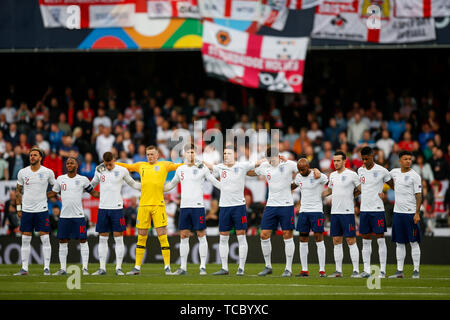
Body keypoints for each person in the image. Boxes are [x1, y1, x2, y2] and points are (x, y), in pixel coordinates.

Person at [115, 145, 183, 275]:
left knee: (162, 236)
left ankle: (167, 267)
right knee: (141, 236)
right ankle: (137, 268)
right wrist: (113, 163)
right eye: (148, 154)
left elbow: (178, 166)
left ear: (157, 155)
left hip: (158, 205)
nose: (150, 156)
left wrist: (192, 163)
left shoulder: (165, 165)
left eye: (152, 154)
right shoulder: (141, 165)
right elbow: (128, 167)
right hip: (144, 206)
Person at [204, 145, 266, 276]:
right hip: (225, 207)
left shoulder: (242, 166)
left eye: (229, 153)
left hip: (239, 206)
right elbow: (209, 166)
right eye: (225, 153)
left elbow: (258, 163)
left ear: (235, 155)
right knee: (223, 237)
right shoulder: (220, 167)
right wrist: (197, 161)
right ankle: (224, 268)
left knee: (241, 236)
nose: (226, 155)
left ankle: (241, 268)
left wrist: (268, 159)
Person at [163, 144, 220, 275]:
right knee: (183, 235)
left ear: (196, 154)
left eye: (193, 152)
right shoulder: (180, 169)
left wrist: (226, 188)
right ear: (184, 155)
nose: (191, 155)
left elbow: (213, 181)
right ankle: (183, 268)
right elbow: (171, 185)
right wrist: (158, 188)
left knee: (201, 235)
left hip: (198, 206)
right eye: (188, 152)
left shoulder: (202, 168)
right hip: (184, 207)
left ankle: (202, 267)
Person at [249, 148, 300, 277]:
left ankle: (288, 268)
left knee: (287, 234)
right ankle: (268, 266)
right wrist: (256, 163)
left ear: (278, 156)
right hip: (271, 205)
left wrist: (296, 183)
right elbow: (250, 173)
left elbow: (304, 169)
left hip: (286, 205)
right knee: (264, 234)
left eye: (272, 157)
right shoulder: (265, 166)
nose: (270, 160)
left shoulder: (288, 164)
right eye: (268, 158)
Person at [90, 152, 141, 275]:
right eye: (106, 164)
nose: (108, 167)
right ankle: (102, 268)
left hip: (117, 208)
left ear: (114, 160)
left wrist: (147, 186)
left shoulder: (122, 170)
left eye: (110, 164)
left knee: (118, 237)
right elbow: (91, 185)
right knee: (102, 238)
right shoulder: (99, 169)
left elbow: (133, 183)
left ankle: (118, 268)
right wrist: (92, 193)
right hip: (103, 208)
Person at [49, 157, 99, 275]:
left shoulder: (83, 179)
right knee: (62, 241)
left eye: (72, 163)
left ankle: (85, 269)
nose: (69, 165)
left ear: (77, 165)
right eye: (67, 163)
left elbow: (94, 193)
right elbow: (53, 193)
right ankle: (62, 269)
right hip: (64, 216)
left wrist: (107, 195)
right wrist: (38, 195)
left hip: (79, 216)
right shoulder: (60, 179)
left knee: (83, 240)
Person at [14, 148, 56, 276]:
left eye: (35, 155)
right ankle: (24, 268)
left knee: (45, 238)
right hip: (26, 210)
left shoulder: (48, 172)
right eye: (31, 155)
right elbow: (18, 191)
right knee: (25, 239)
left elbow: (55, 189)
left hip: (41, 210)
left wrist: (44, 196)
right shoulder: (22, 172)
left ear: (40, 157)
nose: (32, 157)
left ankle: (46, 268)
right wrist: (18, 208)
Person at [356, 146, 394, 278]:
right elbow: (361, 188)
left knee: (380, 240)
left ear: (373, 156)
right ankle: (366, 270)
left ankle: (382, 270)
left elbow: (393, 186)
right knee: (365, 240)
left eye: (367, 158)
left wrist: (387, 195)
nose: (365, 161)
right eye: (363, 159)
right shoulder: (360, 170)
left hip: (377, 210)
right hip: (364, 210)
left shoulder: (382, 171)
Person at [322, 150, 361, 278]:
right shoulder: (332, 175)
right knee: (336, 240)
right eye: (334, 161)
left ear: (344, 161)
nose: (336, 163)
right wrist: (318, 194)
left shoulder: (352, 174)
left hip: (347, 212)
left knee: (351, 240)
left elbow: (360, 189)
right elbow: (329, 190)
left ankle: (356, 270)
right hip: (335, 213)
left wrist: (352, 196)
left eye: (338, 160)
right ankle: (338, 271)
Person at [291, 157, 328, 277]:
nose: (301, 172)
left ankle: (322, 270)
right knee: (302, 239)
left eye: (303, 169)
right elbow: (292, 186)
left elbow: (327, 180)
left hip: (316, 211)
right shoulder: (298, 177)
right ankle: (304, 270)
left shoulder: (318, 175)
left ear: (308, 167)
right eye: (299, 170)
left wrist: (316, 170)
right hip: (303, 211)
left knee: (319, 238)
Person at [388, 150, 422, 279]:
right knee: (399, 243)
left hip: (410, 214)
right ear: (400, 160)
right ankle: (399, 271)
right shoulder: (394, 172)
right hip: (398, 213)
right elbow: (384, 177)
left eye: (410, 159)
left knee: (414, 242)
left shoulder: (415, 176)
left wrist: (417, 213)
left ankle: (416, 270)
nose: (408, 161)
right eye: (405, 159)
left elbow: (418, 196)